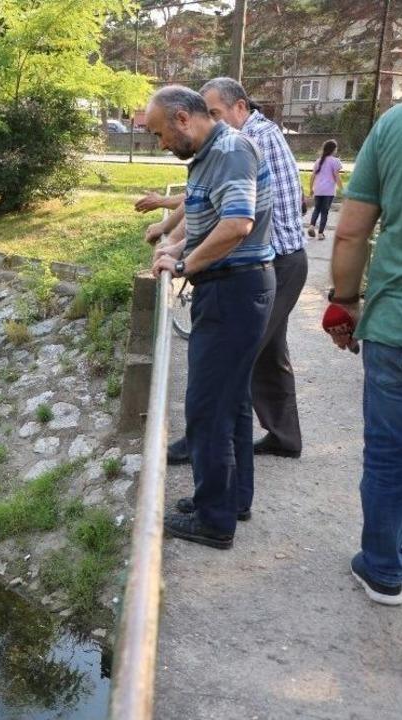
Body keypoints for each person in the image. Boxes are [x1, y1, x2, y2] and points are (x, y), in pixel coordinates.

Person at [140, 78, 308, 464]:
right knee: (267, 356)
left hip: (273, 260)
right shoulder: (234, 143)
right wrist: (173, 238)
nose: (211, 119)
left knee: (229, 366)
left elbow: (229, 217)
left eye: (214, 112)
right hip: (271, 259)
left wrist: (182, 257)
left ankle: (207, 446)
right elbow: (205, 199)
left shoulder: (244, 143)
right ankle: (283, 436)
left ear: (241, 108)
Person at [145, 86, 276, 549]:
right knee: (232, 402)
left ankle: (213, 519)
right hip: (229, 289)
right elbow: (210, 222)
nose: (161, 144)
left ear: (183, 118)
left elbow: (237, 224)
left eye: (160, 134)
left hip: (234, 290)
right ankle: (231, 500)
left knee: (206, 407)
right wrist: (177, 247)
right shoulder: (207, 155)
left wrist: (183, 265)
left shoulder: (231, 151)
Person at [326, 104, 402, 606]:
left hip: (396, 326)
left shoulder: (395, 124)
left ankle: (382, 569)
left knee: (388, 453)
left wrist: (345, 302)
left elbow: (352, 231)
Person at [308, 139, 343, 240]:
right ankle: (320, 234)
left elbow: (312, 176)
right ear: (333, 149)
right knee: (324, 212)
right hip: (328, 191)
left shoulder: (318, 161)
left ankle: (311, 226)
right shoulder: (335, 161)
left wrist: (311, 189)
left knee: (317, 209)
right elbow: (337, 176)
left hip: (318, 190)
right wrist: (342, 189)